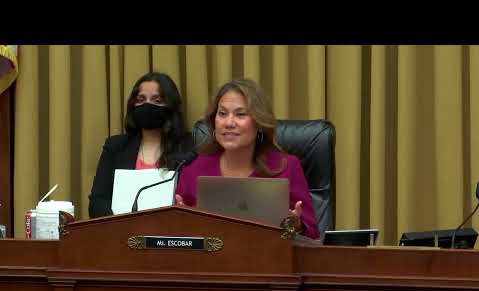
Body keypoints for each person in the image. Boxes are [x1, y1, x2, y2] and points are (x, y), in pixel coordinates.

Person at [175, 79, 320, 239]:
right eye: (222, 114)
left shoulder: (285, 167)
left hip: (269, 260)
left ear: (258, 123)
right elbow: (178, 239)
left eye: (240, 114)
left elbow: (312, 236)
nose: (229, 123)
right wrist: (182, 223)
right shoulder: (193, 168)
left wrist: (295, 225)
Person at [89, 72, 192, 218]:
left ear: (170, 106)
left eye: (157, 100)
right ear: (133, 105)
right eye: (141, 99)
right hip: (121, 234)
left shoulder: (189, 148)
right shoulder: (116, 146)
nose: (148, 105)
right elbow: (97, 201)